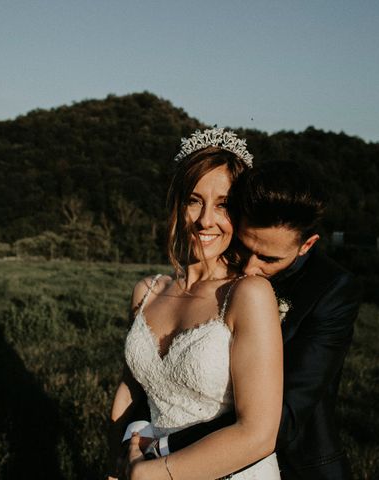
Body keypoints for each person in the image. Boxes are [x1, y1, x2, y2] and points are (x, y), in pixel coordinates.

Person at [134, 161, 361, 479]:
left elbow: (285, 413)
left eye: (269, 259)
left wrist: (162, 447)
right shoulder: (218, 274)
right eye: (246, 247)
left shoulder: (332, 289)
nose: (250, 268)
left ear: (306, 245)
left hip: (298, 464)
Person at [108, 128, 284, 480]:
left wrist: (154, 474)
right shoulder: (147, 290)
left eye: (223, 205)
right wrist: (117, 458)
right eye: (193, 200)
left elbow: (258, 435)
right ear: (177, 205)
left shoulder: (248, 294)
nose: (206, 220)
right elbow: (131, 389)